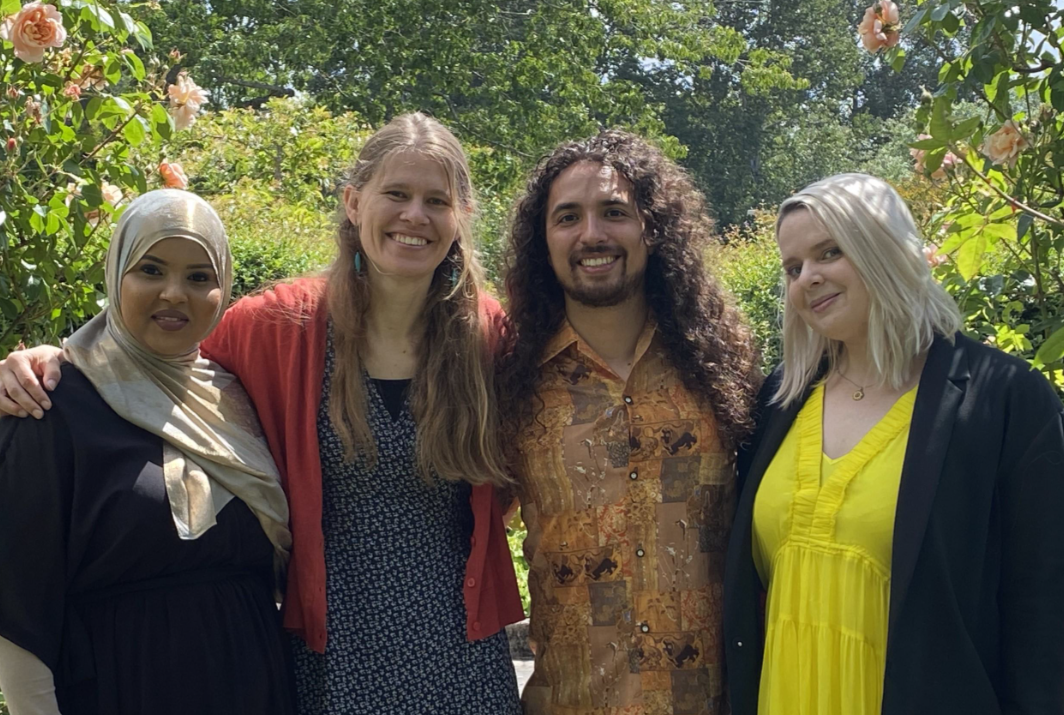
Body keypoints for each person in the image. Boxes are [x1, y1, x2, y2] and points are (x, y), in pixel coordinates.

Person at [0, 113, 524, 714]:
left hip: (461, 653)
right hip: (329, 657)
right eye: (396, 194)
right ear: (354, 203)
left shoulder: (488, 337)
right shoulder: (280, 326)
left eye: (437, 200)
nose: (415, 216)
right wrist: (50, 362)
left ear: (460, 217)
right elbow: (158, 358)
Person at [722, 173, 1064, 715]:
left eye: (829, 251)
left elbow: (1042, 610)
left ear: (883, 247)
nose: (807, 278)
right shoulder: (778, 401)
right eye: (793, 267)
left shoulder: (1005, 399)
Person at [0, 190, 296, 714]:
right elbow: (20, 610)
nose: (174, 294)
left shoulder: (238, 396)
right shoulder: (53, 403)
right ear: (117, 275)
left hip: (255, 685)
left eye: (199, 277)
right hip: (120, 689)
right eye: (151, 269)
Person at [497, 130, 761, 714]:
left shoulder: (722, 366)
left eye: (614, 212)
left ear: (652, 228)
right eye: (568, 216)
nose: (592, 234)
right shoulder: (508, 383)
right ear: (543, 240)